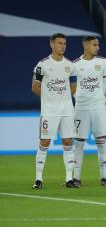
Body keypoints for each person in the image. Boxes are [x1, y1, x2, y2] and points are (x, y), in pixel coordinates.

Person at [31, 33, 77, 189]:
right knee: (45, 142)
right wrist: (50, 99)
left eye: (64, 43)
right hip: (49, 111)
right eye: (59, 43)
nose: (63, 46)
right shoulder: (42, 64)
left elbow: (74, 85)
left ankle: (69, 179)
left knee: (68, 141)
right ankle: (38, 179)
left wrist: (63, 98)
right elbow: (35, 87)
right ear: (52, 44)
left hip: (67, 110)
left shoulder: (70, 65)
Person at [72, 36, 106, 186]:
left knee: (101, 141)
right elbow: (72, 85)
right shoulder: (75, 64)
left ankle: (103, 177)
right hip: (81, 108)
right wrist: (78, 97)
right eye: (95, 45)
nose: (98, 47)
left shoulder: (103, 62)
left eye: (98, 44)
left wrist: (100, 95)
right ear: (86, 46)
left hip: (98, 107)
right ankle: (76, 178)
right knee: (79, 142)